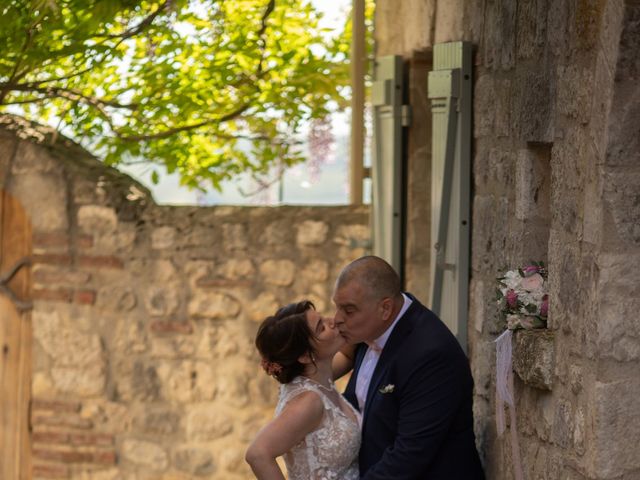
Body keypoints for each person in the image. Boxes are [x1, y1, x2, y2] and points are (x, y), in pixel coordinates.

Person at [332, 255, 485, 479]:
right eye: (337, 307)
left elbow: (409, 455)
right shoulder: (369, 329)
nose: (337, 319)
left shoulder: (431, 354)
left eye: (348, 310)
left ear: (385, 308)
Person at [245, 300, 361, 480]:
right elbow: (258, 454)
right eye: (321, 327)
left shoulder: (318, 378)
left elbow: (347, 356)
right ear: (305, 356)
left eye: (322, 318)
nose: (332, 321)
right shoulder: (308, 401)